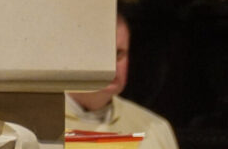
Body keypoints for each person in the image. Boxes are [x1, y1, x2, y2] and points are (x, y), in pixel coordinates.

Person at [66, 14, 179, 149]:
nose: (112, 65)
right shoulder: (38, 127)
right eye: (103, 53)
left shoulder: (155, 129)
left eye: (119, 54)